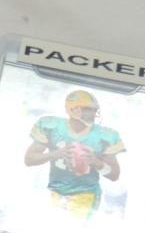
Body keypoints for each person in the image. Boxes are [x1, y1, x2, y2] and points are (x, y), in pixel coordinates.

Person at [24, 90, 125, 218]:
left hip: (86, 195)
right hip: (54, 191)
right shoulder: (50, 126)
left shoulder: (106, 136)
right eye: (88, 109)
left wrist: (97, 163)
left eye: (94, 110)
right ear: (73, 109)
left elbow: (114, 175)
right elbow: (29, 159)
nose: (93, 114)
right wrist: (55, 154)